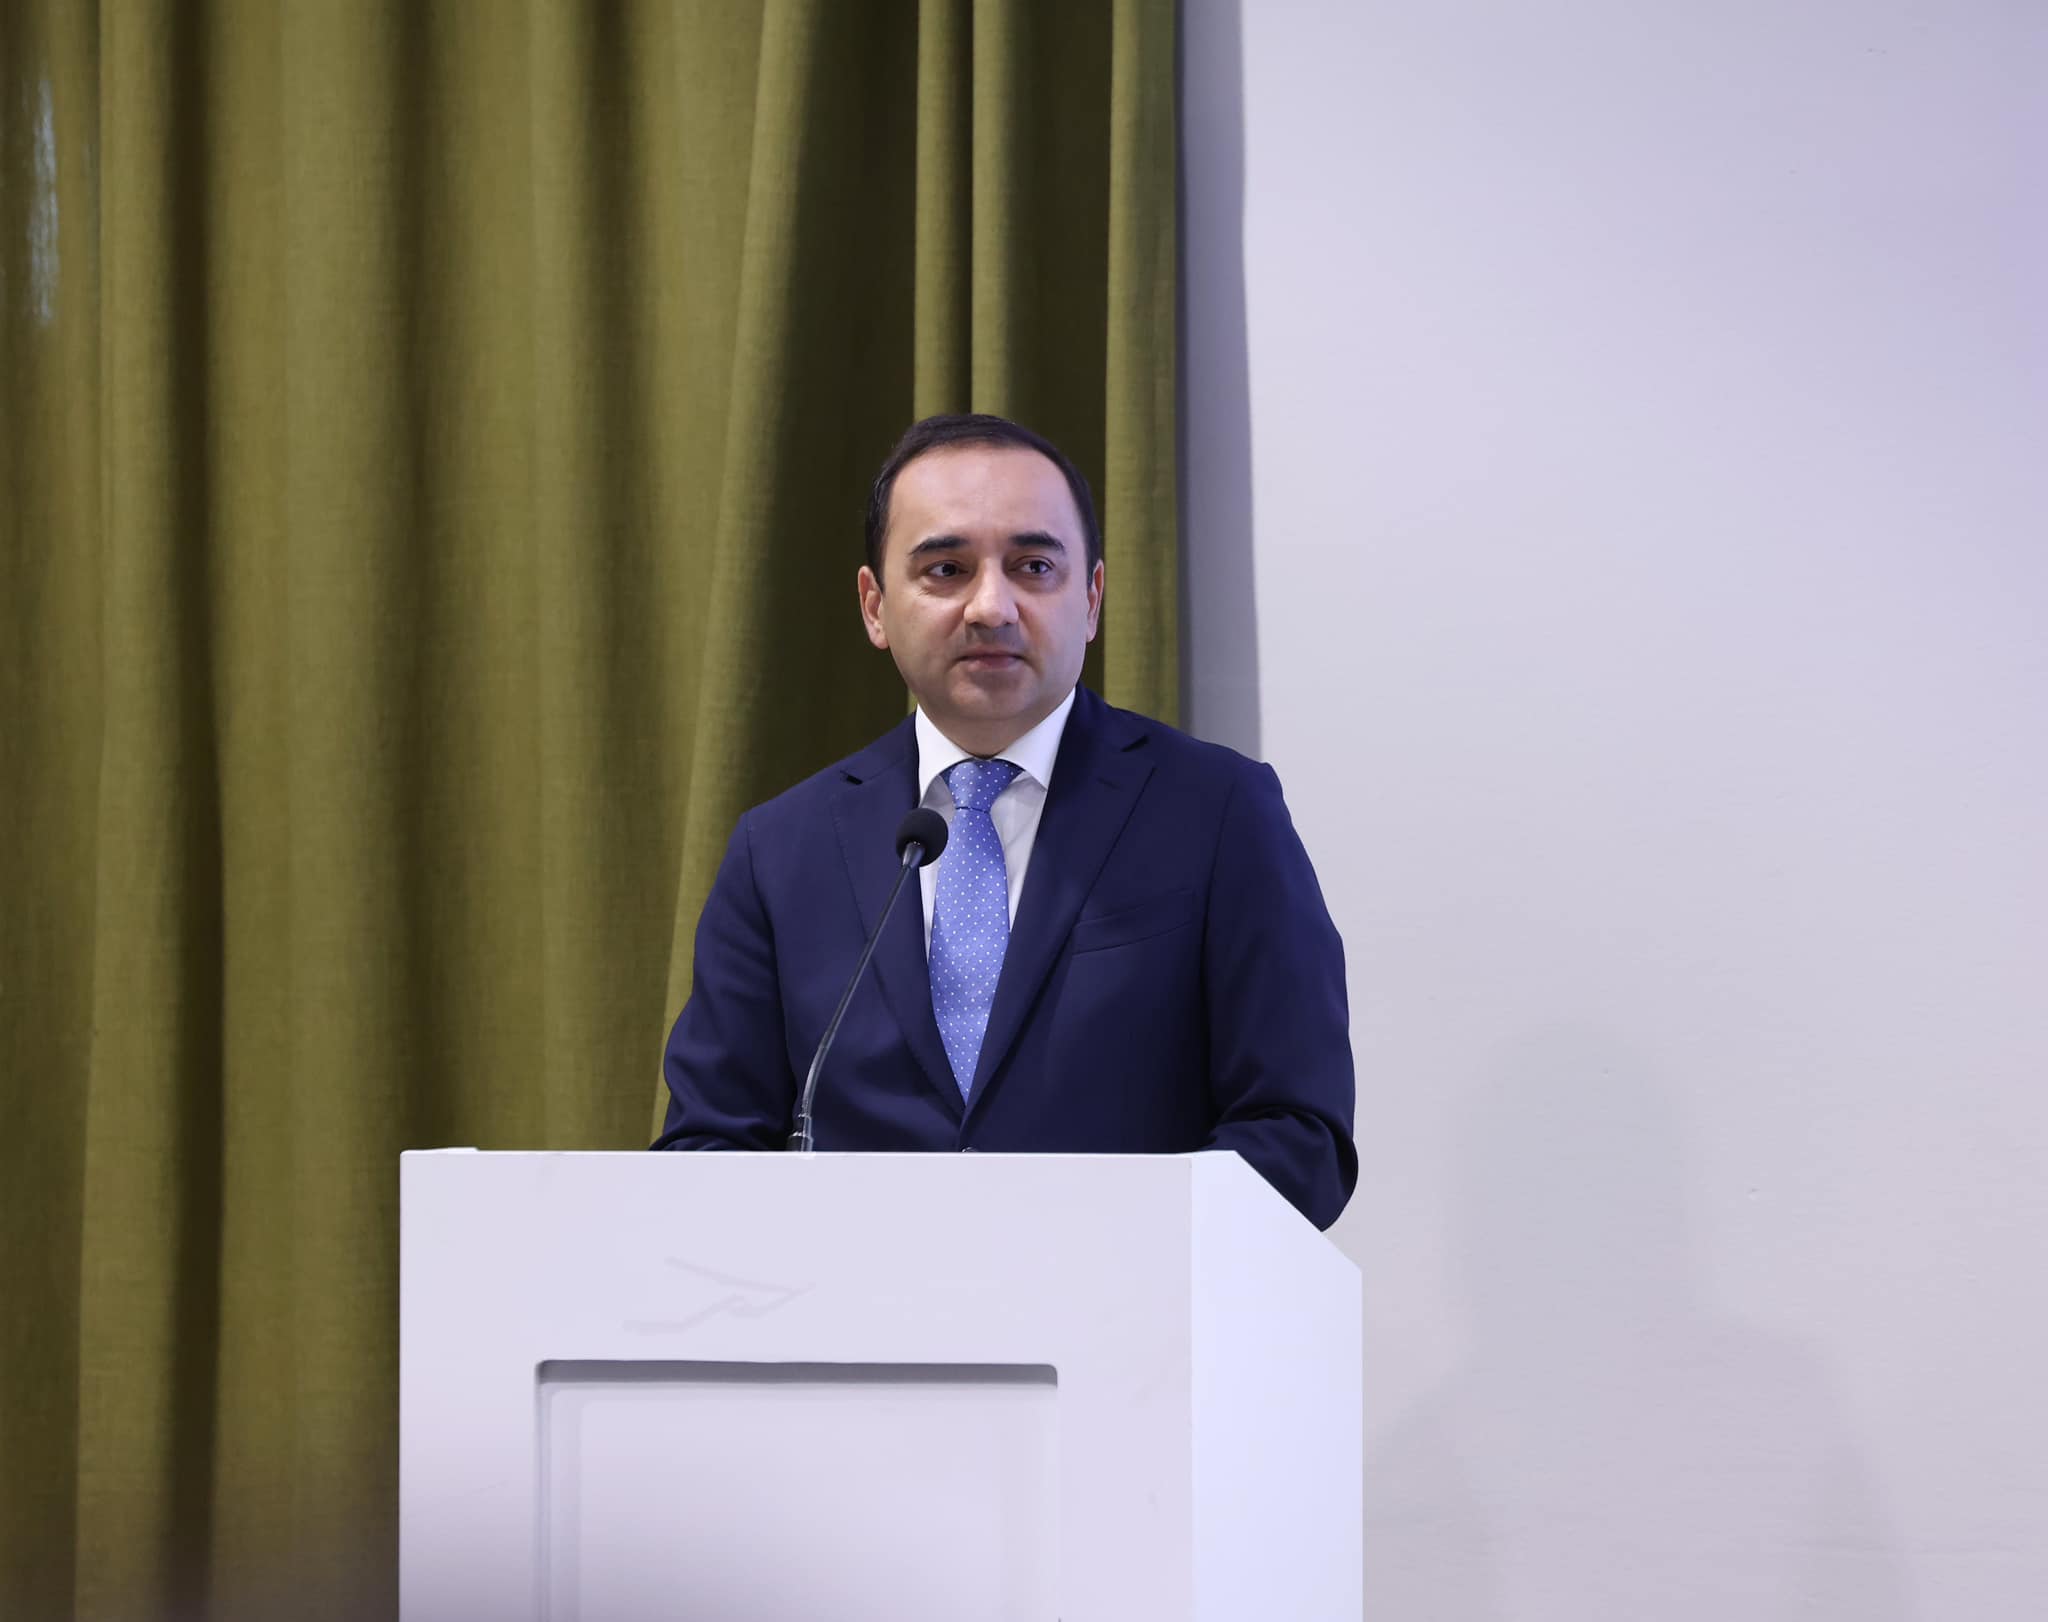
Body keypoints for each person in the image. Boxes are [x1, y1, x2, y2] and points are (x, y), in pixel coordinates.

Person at [656, 413, 1356, 1228]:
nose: (991, 607)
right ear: (875, 606)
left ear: (1091, 599)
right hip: (857, 1302)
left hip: (1129, 1299)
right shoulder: (780, 849)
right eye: (946, 569)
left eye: (1033, 567)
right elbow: (707, 1149)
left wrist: (1087, 1247)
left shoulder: (1218, 811)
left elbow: (1298, 1134)